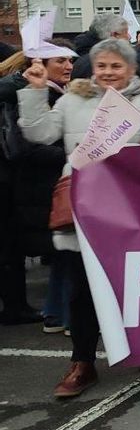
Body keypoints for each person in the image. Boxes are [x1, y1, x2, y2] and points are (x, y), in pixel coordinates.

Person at [18, 39, 140, 398]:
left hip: (132, 208)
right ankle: (82, 362)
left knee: (134, 284)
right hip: (84, 207)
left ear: (131, 69)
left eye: (116, 66)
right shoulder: (70, 100)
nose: (108, 73)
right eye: (102, 66)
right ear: (92, 68)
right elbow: (40, 134)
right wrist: (35, 92)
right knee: (81, 289)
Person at [0, 45, 74, 327]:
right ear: (40, 64)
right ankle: (58, 313)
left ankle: (55, 313)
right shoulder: (33, 94)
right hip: (39, 187)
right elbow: (30, 145)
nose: (68, 65)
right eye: (60, 60)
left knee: (62, 252)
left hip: (48, 186)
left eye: (70, 60)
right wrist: (72, 152)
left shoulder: (63, 94)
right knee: (61, 250)